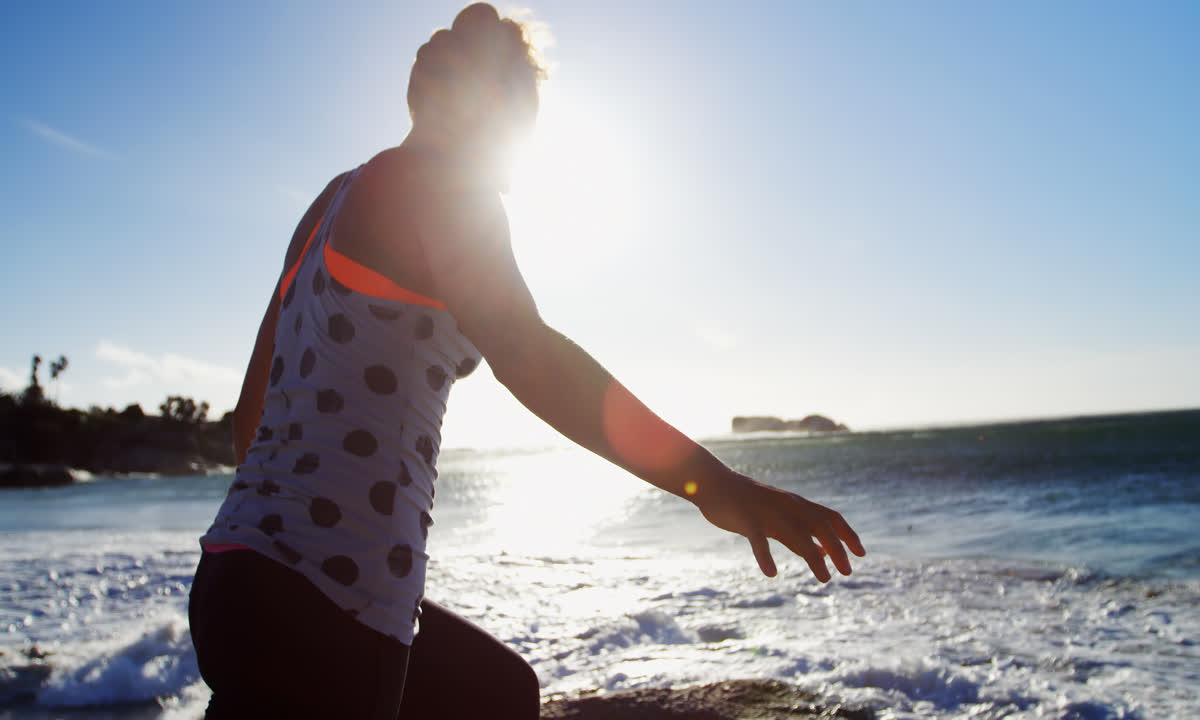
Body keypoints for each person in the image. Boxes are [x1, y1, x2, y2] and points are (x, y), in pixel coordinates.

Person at [187, 4, 866, 718]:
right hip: (325, 595)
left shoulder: (336, 196)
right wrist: (716, 487)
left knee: (497, 692)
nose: (435, 40)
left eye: (462, 44)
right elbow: (528, 353)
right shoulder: (437, 187)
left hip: (239, 573)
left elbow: (251, 421)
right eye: (443, 37)